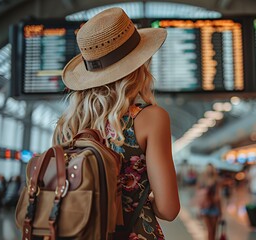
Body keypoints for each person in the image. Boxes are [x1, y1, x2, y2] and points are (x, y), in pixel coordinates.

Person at [53, 7, 180, 239]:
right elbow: (168, 209)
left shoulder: (67, 125)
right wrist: (133, 200)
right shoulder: (150, 118)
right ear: (138, 66)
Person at [195, 163, 221, 240]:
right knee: (210, 229)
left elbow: (218, 196)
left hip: (213, 207)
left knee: (213, 230)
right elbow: (199, 196)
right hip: (206, 207)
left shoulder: (215, 181)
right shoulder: (202, 181)